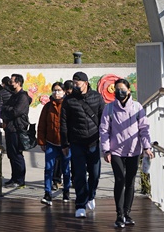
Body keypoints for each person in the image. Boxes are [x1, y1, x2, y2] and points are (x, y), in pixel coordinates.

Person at [100, 78, 154, 228]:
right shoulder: (109, 108)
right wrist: (106, 150)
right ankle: (119, 215)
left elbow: (144, 129)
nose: (120, 92)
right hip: (115, 151)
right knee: (120, 179)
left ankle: (127, 214)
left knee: (130, 182)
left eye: (123, 90)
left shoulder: (137, 107)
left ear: (129, 91)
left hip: (133, 151)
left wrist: (147, 147)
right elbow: (104, 130)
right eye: (117, 90)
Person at [60, 70, 104, 219]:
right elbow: (63, 123)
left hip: (93, 142)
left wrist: (105, 142)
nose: (75, 85)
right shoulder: (69, 100)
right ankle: (80, 205)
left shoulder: (97, 98)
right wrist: (64, 144)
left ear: (85, 83)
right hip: (76, 142)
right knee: (78, 175)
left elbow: (104, 120)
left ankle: (91, 195)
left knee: (95, 174)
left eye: (77, 82)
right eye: (73, 82)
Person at [37, 82, 71, 205]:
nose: (57, 93)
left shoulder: (68, 105)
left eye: (59, 90)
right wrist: (41, 141)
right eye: (54, 90)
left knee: (66, 169)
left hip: (65, 144)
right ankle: (47, 193)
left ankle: (66, 191)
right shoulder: (47, 107)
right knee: (49, 169)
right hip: (51, 143)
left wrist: (70, 142)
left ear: (64, 92)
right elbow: (41, 125)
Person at [0, 73, 30, 188]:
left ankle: (20, 179)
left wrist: (7, 110)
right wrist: (7, 110)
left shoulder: (22, 96)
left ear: (18, 83)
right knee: (11, 154)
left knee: (17, 154)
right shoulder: (13, 95)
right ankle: (14, 178)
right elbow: (4, 109)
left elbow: (15, 111)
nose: (10, 83)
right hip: (10, 128)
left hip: (17, 129)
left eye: (12, 81)